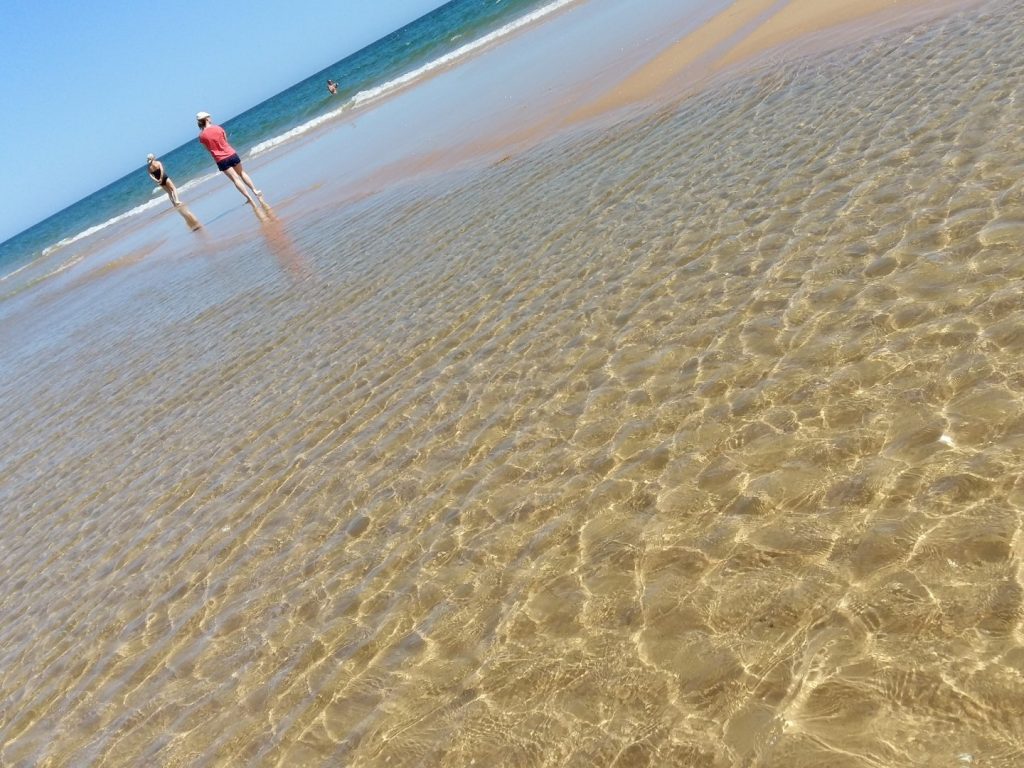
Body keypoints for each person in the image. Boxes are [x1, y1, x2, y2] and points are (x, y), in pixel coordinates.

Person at [195, 111, 265, 211]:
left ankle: (249, 198)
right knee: (242, 173)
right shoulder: (218, 128)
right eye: (209, 117)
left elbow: (208, 149)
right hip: (231, 154)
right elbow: (225, 140)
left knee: (235, 179)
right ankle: (255, 190)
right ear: (206, 119)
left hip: (221, 159)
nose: (211, 118)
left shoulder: (201, 136)